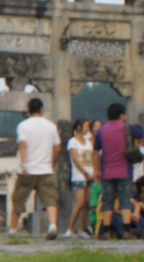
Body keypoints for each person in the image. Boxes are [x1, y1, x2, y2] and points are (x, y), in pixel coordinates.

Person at [8, 98, 62, 239]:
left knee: (19, 199)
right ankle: (53, 226)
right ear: (42, 109)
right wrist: (52, 164)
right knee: (51, 199)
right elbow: (58, 149)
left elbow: (23, 145)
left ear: (28, 110)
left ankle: (13, 230)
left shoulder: (23, 126)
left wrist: (25, 164)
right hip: (45, 169)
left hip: (28, 169)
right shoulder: (51, 126)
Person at [92, 102, 144, 240]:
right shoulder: (127, 128)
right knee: (125, 200)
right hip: (124, 172)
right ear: (121, 115)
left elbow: (95, 152)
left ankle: (105, 231)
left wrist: (96, 170)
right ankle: (126, 230)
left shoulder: (102, 131)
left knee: (107, 201)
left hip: (107, 172)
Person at [64, 120, 94, 238]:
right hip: (79, 176)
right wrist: (84, 172)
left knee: (87, 203)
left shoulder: (88, 142)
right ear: (79, 127)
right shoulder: (73, 142)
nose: (88, 128)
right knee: (80, 203)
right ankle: (70, 228)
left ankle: (81, 229)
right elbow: (75, 159)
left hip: (90, 174)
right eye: (86, 126)